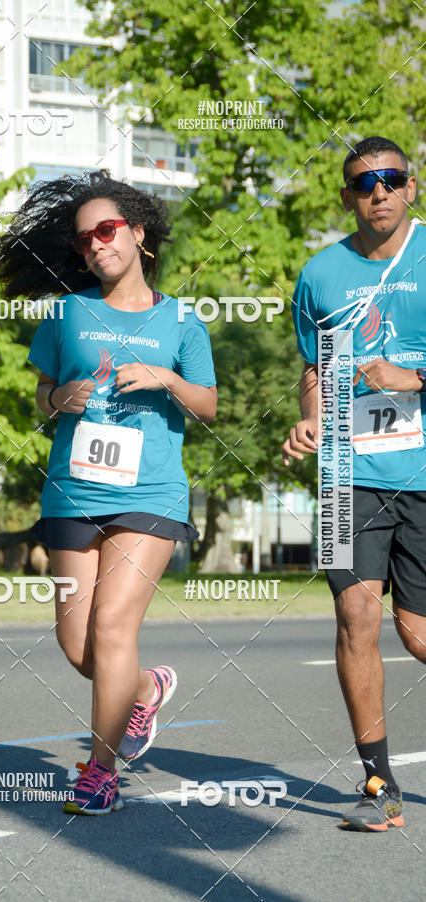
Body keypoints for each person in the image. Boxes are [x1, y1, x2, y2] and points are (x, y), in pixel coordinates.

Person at [0, 170, 217, 814]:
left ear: (139, 235)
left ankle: (100, 772)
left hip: (151, 493)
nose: (96, 244)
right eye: (85, 238)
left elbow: (207, 406)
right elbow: (42, 396)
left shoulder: (182, 321)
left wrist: (166, 380)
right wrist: (60, 397)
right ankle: (146, 691)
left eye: (108, 230)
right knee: (79, 647)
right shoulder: (65, 315)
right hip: (72, 491)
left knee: (115, 626)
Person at [283, 136, 426, 832]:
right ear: (348, 197)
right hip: (347, 477)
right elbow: (317, 368)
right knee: (356, 618)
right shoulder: (321, 276)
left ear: (411, 187)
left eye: (391, 178)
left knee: (421, 635)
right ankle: (380, 783)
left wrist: (415, 378)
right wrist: (309, 422)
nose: (379, 191)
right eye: (365, 182)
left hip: (423, 474)